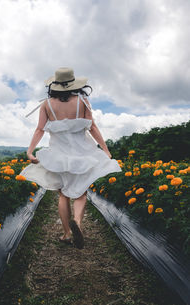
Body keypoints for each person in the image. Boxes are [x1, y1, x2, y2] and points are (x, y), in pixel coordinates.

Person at [19, 67, 122, 249]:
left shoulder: (47, 104)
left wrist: (30, 151)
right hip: (82, 153)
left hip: (58, 154)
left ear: (55, 85)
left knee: (63, 194)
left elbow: (39, 130)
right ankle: (78, 222)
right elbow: (92, 127)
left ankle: (67, 233)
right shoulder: (82, 100)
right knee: (81, 194)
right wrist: (105, 150)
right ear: (73, 84)